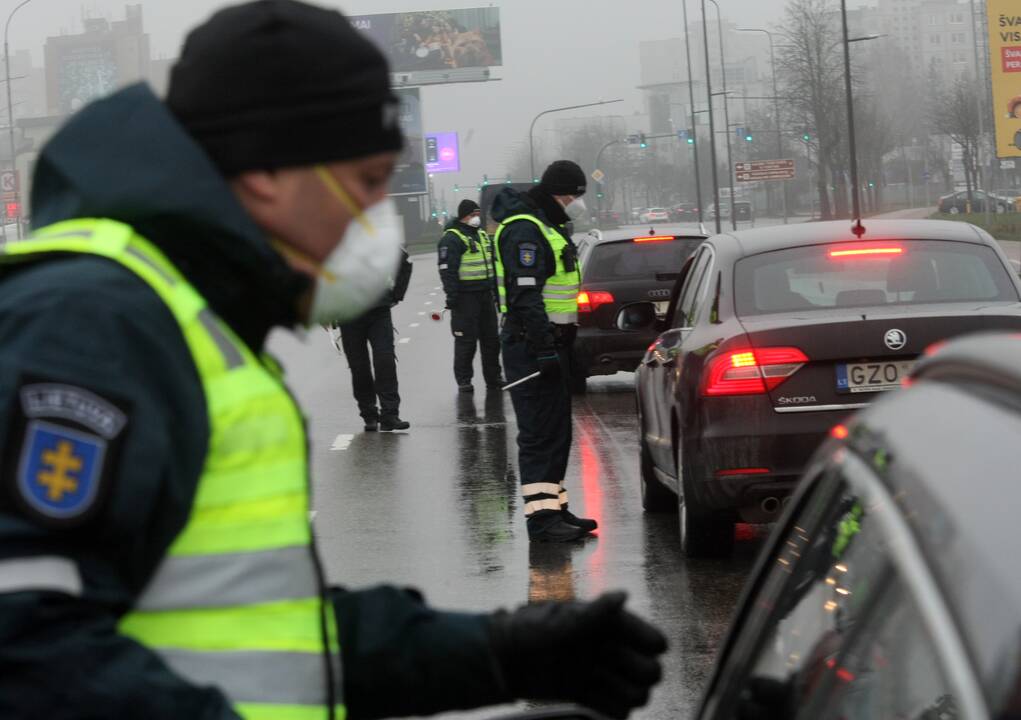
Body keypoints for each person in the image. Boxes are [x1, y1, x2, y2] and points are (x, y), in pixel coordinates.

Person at [0, 2, 668, 719]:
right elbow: (26, 650)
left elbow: (262, 641)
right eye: (365, 181)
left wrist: (493, 653)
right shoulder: (95, 323)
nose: (377, 217)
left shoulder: (183, 314)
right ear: (264, 173)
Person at [492, 160, 595, 543]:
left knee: (556, 431)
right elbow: (525, 296)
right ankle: (541, 521)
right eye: (575, 195)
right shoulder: (525, 229)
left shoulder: (547, 225)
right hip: (531, 346)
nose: (578, 203)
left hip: (552, 343)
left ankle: (555, 508)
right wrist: (544, 349)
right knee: (538, 433)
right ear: (559, 193)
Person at [338, 246, 412, 431]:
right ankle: (369, 414)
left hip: (379, 312)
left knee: (385, 360)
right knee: (359, 367)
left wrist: (397, 294)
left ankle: (390, 415)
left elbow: (405, 262)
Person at [437, 198, 503, 392]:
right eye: (471, 215)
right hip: (465, 298)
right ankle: (464, 380)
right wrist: (452, 296)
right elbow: (447, 270)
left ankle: (494, 378)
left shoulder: (482, 236)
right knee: (466, 341)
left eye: (477, 214)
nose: (475, 218)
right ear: (463, 216)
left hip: (485, 295)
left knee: (491, 340)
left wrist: (496, 294)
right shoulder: (452, 238)